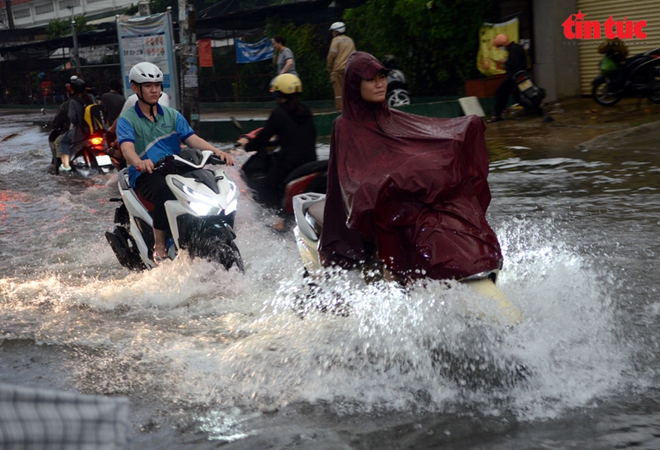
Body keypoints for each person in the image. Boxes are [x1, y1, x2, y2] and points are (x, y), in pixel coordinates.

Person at [318, 51, 503, 283]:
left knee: (454, 218)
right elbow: (350, 176)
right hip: (378, 207)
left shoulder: (394, 118)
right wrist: (374, 188)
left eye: (382, 78)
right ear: (355, 85)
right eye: (371, 80)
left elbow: (426, 142)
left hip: (407, 202)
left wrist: (465, 132)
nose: (379, 85)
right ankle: (388, 274)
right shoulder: (344, 126)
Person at [116, 62, 234, 261]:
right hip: (147, 174)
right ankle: (159, 246)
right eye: (147, 86)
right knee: (165, 191)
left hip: (176, 167)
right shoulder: (127, 120)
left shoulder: (172, 115)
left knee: (210, 183)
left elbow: (192, 139)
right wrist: (139, 162)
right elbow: (126, 148)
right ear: (135, 88)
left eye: (157, 85)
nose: (154, 90)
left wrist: (216, 151)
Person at [237, 73, 317, 230]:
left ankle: (275, 219)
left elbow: (263, 138)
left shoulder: (279, 114)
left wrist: (247, 144)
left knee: (267, 186)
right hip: (310, 162)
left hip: (290, 163)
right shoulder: (305, 112)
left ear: (278, 93)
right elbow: (299, 136)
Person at [486, 33, 528, 123]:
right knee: (517, 95)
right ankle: (531, 108)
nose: (502, 48)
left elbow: (514, 63)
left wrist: (505, 63)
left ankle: (497, 115)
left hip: (513, 77)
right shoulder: (516, 48)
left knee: (500, 93)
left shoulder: (513, 50)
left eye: (501, 46)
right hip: (520, 75)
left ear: (503, 44)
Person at [59, 77, 94, 172]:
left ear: (73, 89)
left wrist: (76, 124)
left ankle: (66, 166)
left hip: (81, 132)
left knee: (64, 140)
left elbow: (72, 117)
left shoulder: (73, 101)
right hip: (94, 130)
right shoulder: (90, 97)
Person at [327, 22, 356, 112]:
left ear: (336, 31)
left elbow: (332, 55)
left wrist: (329, 68)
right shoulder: (350, 40)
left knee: (339, 92)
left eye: (333, 31)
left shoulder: (336, 40)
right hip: (350, 69)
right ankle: (352, 109)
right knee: (349, 91)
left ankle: (341, 110)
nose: (332, 33)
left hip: (338, 70)